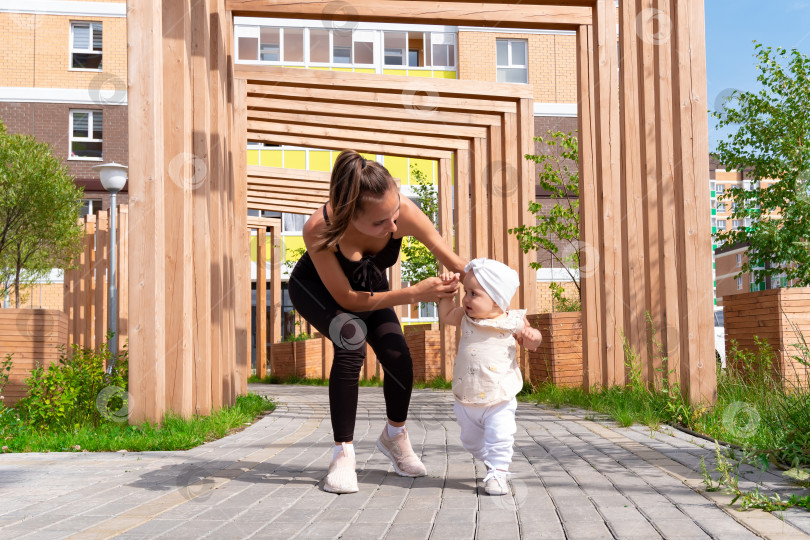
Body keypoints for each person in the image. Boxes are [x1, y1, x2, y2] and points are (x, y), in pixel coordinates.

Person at [289, 150, 465, 494]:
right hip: (318, 291)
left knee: (399, 357)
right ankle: (343, 452)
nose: (394, 227)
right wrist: (414, 293)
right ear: (347, 215)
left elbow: (454, 260)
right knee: (351, 338)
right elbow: (346, 300)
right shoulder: (318, 229)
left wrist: (488, 286)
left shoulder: (405, 213)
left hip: (368, 285)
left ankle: (395, 436)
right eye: (380, 223)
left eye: (395, 214)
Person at [437, 258, 543, 495]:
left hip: (500, 397)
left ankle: (498, 472)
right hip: (467, 397)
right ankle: (491, 461)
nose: (465, 299)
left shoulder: (511, 320)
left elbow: (534, 339)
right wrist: (446, 295)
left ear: (497, 299)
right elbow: (445, 317)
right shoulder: (464, 318)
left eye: (473, 293)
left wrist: (531, 336)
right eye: (465, 292)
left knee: (500, 436)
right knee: (471, 442)